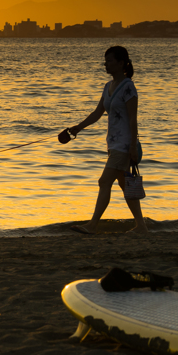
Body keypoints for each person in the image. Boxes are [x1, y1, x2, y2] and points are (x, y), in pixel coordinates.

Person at [67, 46, 148, 234]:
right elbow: (97, 113)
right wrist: (78, 127)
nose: (106, 64)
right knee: (124, 183)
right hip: (112, 144)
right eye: (106, 61)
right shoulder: (107, 87)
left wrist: (133, 147)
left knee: (104, 182)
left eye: (110, 61)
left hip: (124, 144)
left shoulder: (128, 86)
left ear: (121, 63)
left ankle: (93, 225)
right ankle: (141, 226)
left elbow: (133, 118)